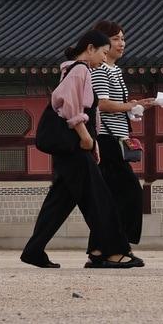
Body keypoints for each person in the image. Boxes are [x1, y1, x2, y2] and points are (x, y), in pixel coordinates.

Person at [20, 29, 141, 269]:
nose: (104, 59)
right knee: (98, 199)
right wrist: (86, 138)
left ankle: (34, 251)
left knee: (60, 201)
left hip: (70, 148)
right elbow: (70, 107)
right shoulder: (80, 70)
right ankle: (112, 251)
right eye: (103, 53)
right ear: (90, 49)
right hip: (76, 145)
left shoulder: (70, 69)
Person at [90, 20, 153, 251]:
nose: (121, 43)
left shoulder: (115, 70)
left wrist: (134, 107)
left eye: (123, 38)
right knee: (130, 194)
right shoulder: (100, 69)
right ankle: (117, 247)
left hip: (117, 139)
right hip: (106, 140)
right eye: (116, 38)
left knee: (113, 197)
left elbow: (116, 104)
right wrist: (129, 106)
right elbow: (102, 104)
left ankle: (100, 249)